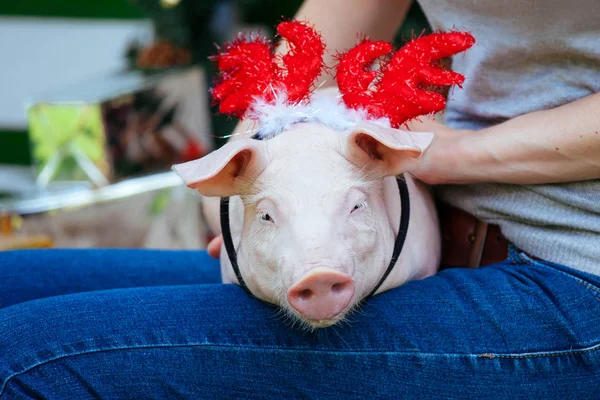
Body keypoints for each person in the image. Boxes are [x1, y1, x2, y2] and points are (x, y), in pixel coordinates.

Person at [1, 0, 599, 398]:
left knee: (22, 357)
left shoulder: (425, 158)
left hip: (573, 272)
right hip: (415, 237)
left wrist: (447, 156)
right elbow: (292, 82)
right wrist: (241, 211)